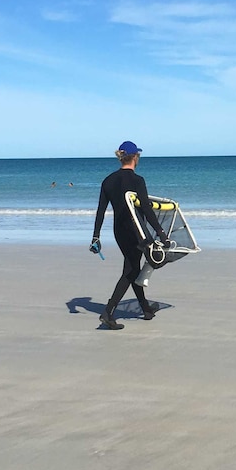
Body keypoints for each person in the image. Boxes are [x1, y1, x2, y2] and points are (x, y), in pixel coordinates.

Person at [90, 141, 170, 330]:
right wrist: (161, 232)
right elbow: (147, 210)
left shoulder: (108, 181)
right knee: (131, 270)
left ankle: (146, 309)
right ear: (135, 157)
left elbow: (100, 211)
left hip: (119, 231)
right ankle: (108, 312)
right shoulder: (137, 181)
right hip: (137, 231)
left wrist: (96, 237)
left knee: (133, 266)